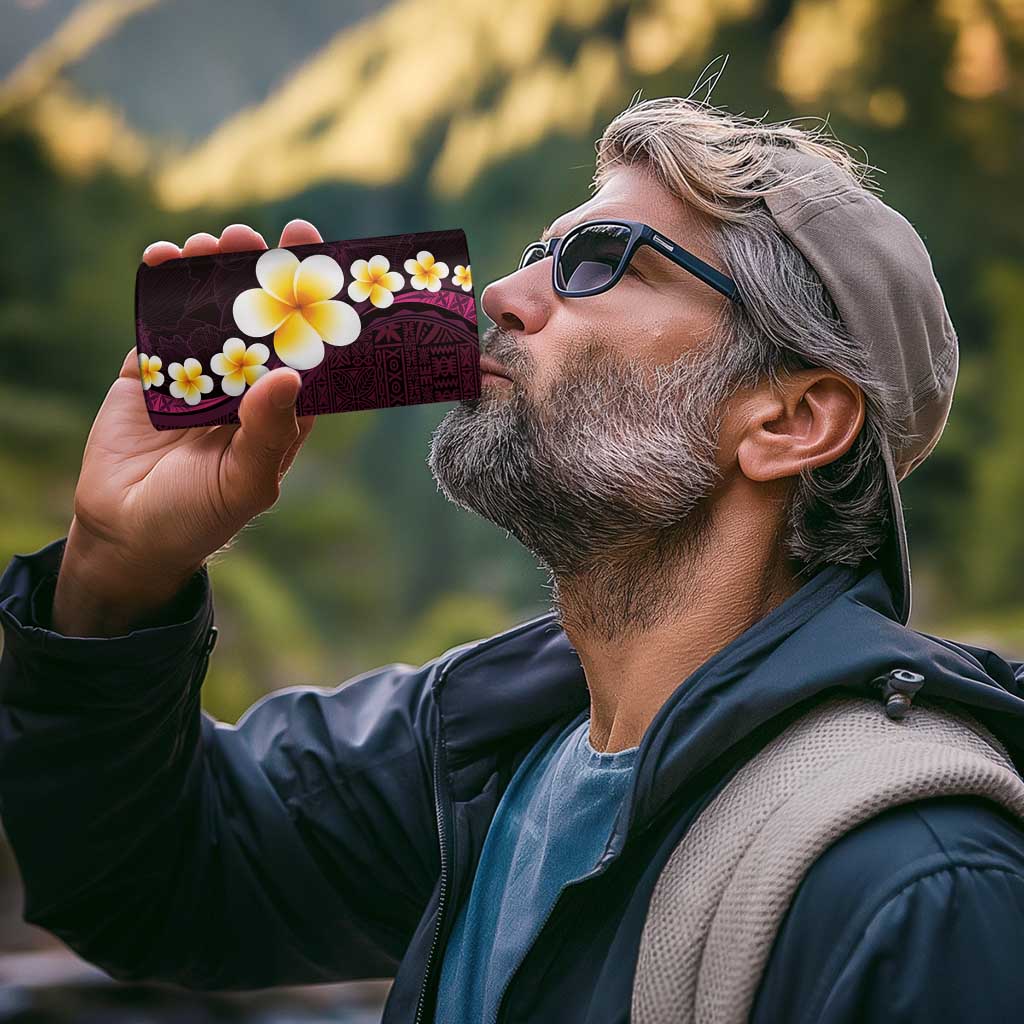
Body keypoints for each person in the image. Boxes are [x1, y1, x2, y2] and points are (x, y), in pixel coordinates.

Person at [2, 94, 1024, 1024]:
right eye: (540, 252)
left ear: (790, 420)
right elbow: (149, 880)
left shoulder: (918, 884)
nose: (502, 292)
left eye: (599, 261)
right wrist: (115, 572)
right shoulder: (479, 748)